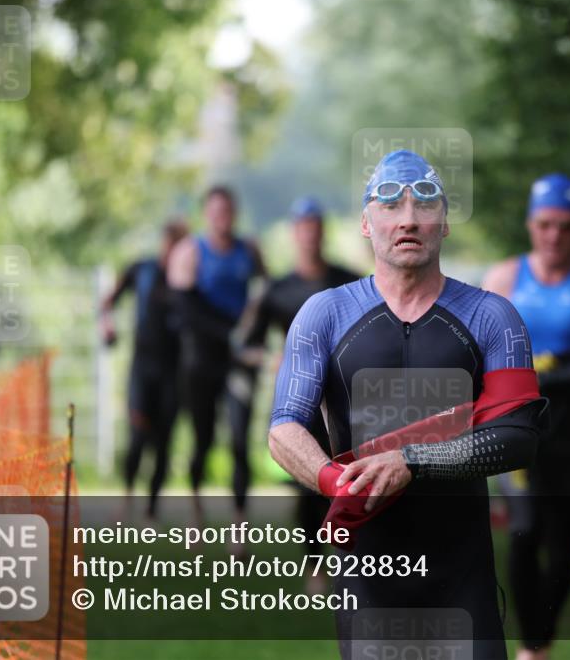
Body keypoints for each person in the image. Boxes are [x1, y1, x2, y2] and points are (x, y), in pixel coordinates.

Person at [268, 150, 549, 659]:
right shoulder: (324, 315)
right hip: (368, 574)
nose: (408, 219)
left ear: (444, 223)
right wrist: (338, 482)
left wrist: (409, 462)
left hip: (463, 575)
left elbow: (518, 437)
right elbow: (285, 428)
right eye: (390, 205)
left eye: (424, 206)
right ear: (365, 224)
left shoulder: (492, 316)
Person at [482, 173, 570, 660]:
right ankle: (532, 648)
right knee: (524, 533)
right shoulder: (503, 280)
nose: (554, 236)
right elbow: (476, 355)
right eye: (545, 224)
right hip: (517, 427)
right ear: (530, 225)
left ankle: (538, 641)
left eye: (565, 226)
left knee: (565, 543)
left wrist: (539, 377)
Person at [233, 195, 359, 593]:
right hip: (302, 399)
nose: (310, 236)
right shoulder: (277, 290)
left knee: (349, 474)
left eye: (316, 228)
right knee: (310, 482)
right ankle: (315, 566)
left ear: (323, 232)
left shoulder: (349, 280)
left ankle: (349, 559)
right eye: (303, 228)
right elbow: (243, 345)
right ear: (294, 234)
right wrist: (273, 357)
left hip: (344, 397)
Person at [167, 186, 265, 525]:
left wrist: (256, 339)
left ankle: (239, 523)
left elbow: (264, 296)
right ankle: (196, 512)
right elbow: (187, 311)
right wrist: (229, 335)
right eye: (216, 211)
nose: (222, 217)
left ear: (234, 213)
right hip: (202, 362)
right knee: (203, 440)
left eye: (228, 210)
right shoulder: (189, 252)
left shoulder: (249, 251)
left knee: (240, 439)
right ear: (205, 214)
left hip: (239, 363)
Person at [100, 219, 189, 520]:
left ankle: (152, 509)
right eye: (170, 244)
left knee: (164, 440)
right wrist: (108, 326)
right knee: (138, 436)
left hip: (173, 373)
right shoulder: (142, 270)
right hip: (142, 369)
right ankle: (126, 499)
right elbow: (107, 302)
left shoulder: (188, 281)